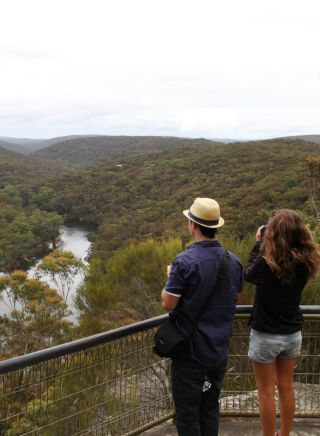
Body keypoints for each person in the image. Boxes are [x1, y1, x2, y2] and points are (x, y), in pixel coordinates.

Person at [161, 197, 243, 436]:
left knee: (187, 414)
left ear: (193, 225)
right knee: (210, 408)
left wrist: (170, 277)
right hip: (218, 350)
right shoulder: (233, 262)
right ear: (216, 227)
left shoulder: (184, 261)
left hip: (190, 351)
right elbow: (235, 300)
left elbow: (168, 303)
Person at [244, 209, 320, 436]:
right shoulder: (306, 262)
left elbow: (248, 274)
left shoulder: (268, 262)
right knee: (286, 388)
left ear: (273, 234)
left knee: (266, 392)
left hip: (265, 334)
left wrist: (259, 244)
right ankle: (284, 434)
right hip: (291, 334)